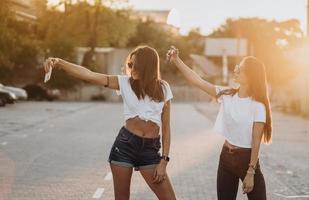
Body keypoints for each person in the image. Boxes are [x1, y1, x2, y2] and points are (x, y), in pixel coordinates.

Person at [44, 46, 177, 200]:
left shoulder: (163, 88)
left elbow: (166, 129)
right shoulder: (124, 83)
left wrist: (164, 162)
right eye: (129, 64)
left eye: (135, 65)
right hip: (124, 147)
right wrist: (59, 63)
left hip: (150, 150)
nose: (131, 68)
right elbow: (89, 75)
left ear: (147, 66)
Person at [167, 46, 272, 200]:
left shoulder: (258, 106)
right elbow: (197, 81)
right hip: (226, 158)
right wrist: (177, 60)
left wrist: (251, 172)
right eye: (237, 67)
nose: (235, 70)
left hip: (247, 160)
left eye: (240, 69)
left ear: (250, 76)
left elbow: (256, 142)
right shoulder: (227, 94)